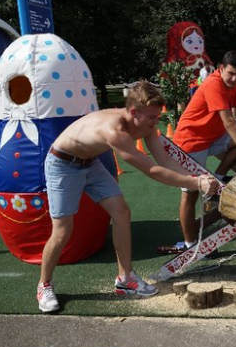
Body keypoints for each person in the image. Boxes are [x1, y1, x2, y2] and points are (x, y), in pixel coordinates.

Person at [37, 81, 219, 313]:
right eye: (152, 117)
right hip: (62, 163)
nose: (156, 122)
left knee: (121, 212)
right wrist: (196, 182)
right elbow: (152, 171)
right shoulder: (116, 133)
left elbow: (163, 160)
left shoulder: (145, 123)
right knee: (63, 230)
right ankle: (44, 285)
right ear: (134, 112)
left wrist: (196, 179)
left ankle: (125, 279)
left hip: (90, 163)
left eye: (157, 116)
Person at [172, 50, 236, 250]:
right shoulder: (213, 84)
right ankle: (190, 243)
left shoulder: (235, 84)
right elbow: (229, 121)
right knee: (190, 194)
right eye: (231, 73)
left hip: (211, 139)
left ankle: (219, 176)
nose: (235, 78)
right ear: (221, 68)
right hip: (190, 143)